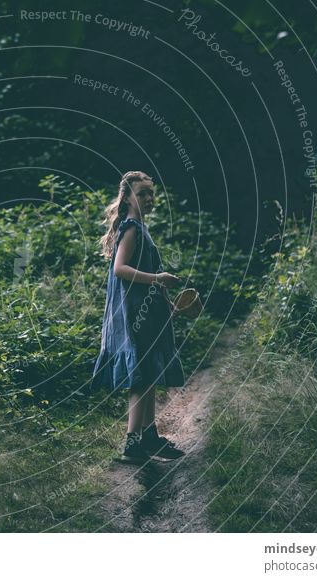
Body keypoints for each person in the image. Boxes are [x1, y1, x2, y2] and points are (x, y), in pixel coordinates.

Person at [90, 171, 186, 462]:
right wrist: (159, 279)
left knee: (149, 373)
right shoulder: (131, 228)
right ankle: (133, 444)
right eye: (142, 193)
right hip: (135, 314)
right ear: (127, 197)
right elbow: (120, 269)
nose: (149, 199)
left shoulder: (141, 228)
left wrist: (166, 302)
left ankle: (149, 437)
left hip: (149, 310)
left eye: (151, 193)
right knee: (141, 377)